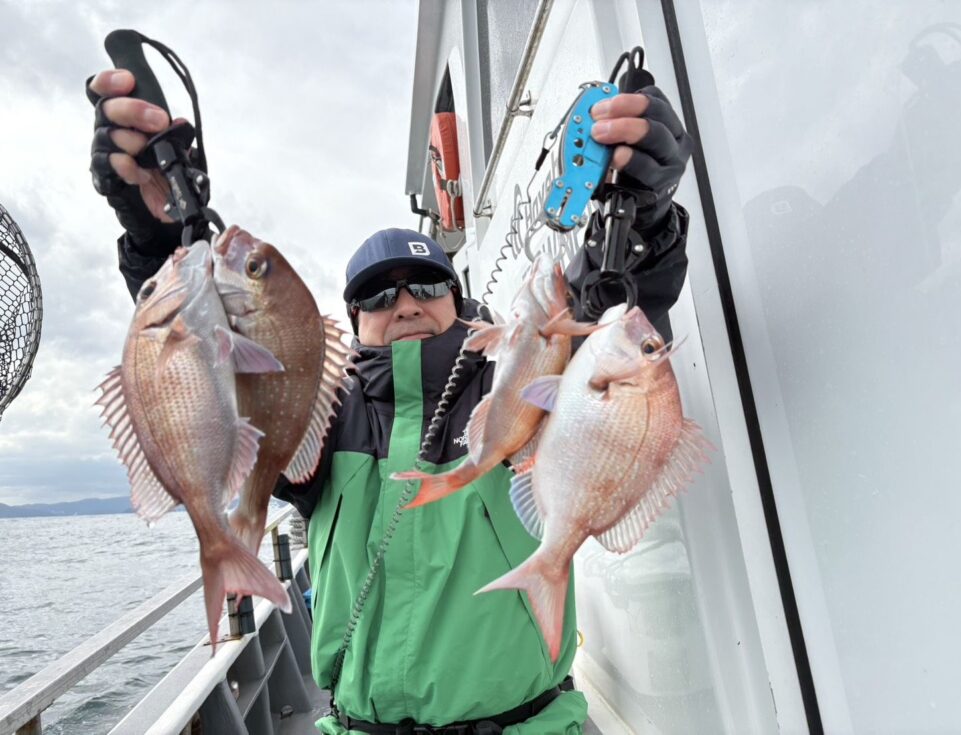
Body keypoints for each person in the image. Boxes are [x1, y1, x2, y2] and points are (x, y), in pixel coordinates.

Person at [88, 60, 693, 733]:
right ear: (355, 326)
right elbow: (196, 359)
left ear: (459, 303)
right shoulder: (321, 420)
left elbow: (608, 314)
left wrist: (643, 210)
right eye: (377, 295)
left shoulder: (518, 387)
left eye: (426, 285)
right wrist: (158, 237)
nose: (404, 302)